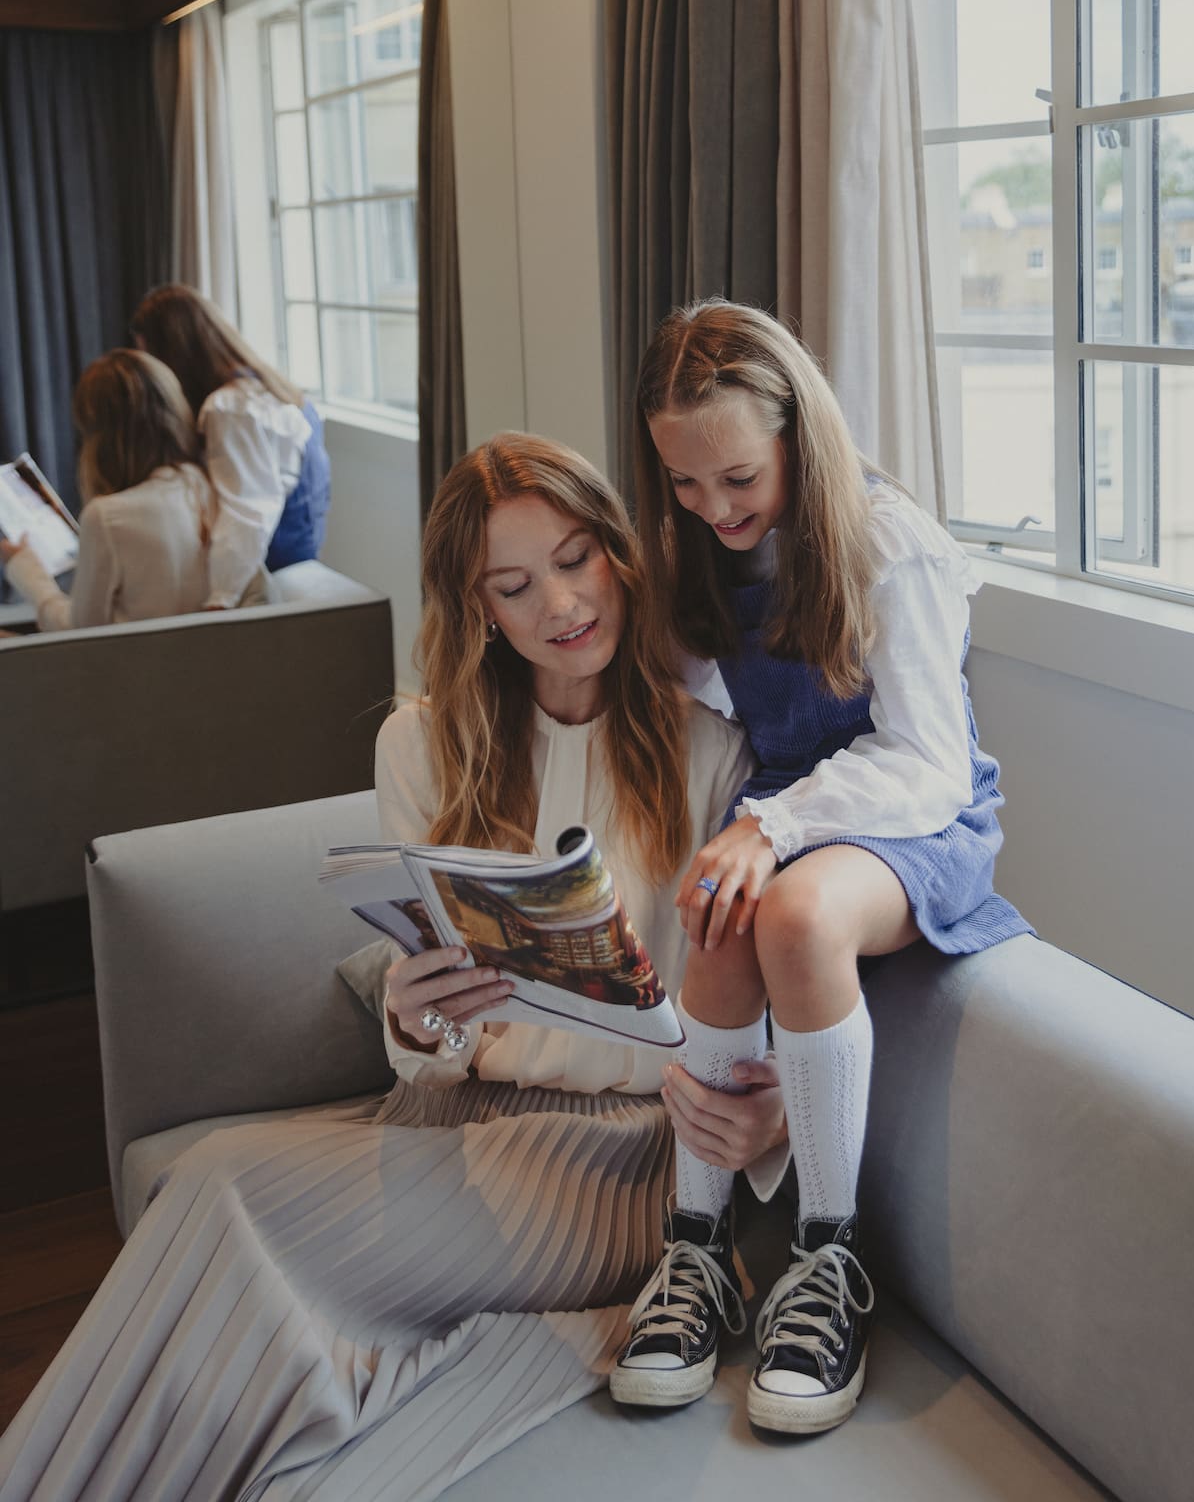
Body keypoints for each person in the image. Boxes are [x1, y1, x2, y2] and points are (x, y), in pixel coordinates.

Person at [0, 433, 786, 1502]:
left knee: (227, 1190)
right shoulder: (423, 747)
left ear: (617, 552)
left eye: (575, 557)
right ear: (481, 611)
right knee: (229, 1230)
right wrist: (420, 1023)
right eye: (514, 584)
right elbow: (436, 1046)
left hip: (623, 1159)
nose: (560, 601)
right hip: (454, 1128)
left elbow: (756, 1006)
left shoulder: (710, 750)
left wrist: (768, 1116)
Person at [611, 299, 1031, 1435]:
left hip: (916, 814)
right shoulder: (697, 551)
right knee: (717, 904)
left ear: (802, 429)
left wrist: (774, 825)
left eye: (738, 476)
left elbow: (926, 760)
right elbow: (713, 702)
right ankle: (695, 1249)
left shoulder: (892, 541)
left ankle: (828, 1258)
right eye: (685, 485)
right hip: (791, 816)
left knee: (790, 912)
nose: (716, 508)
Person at [130, 282, 331, 606]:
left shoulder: (232, 408)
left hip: (266, 570)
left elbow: (247, 512)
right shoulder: (273, 390)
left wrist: (220, 599)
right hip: (297, 553)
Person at [0, 349, 214, 629]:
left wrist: (25, 567)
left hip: (136, 669)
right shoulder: (199, 484)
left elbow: (79, 633)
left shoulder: (106, 517)